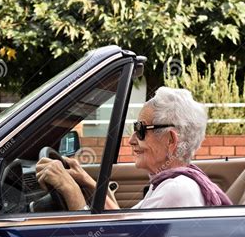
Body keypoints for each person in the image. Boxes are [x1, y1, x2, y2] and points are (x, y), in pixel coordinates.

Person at [36, 87, 232, 210]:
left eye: (140, 129)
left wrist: (69, 189)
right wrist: (87, 182)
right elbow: (124, 223)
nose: (130, 140)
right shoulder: (168, 183)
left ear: (170, 140)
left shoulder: (176, 190)